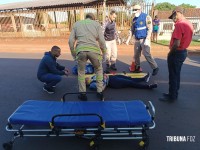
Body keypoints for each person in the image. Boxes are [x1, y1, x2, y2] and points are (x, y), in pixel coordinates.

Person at [68, 13, 107, 101]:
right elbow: (101, 41)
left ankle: (82, 94)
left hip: (80, 50)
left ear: (85, 18)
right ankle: (99, 92)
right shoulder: (96, 25)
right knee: (98, 70)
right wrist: (104, 53)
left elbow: (70, 41)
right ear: (93, 19)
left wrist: (74, 54)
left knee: (81, 72)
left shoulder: (76, 24)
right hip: (94, 51)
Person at [159, 7, 193, 102]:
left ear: (178, 13)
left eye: (174, 16)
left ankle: (172, 96)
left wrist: (170, 53)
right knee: (176, 74)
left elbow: (176, 43)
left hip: (176, 52)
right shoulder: (188, 23)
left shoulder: (179, 25)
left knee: (173, 75)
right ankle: (174, 93)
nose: (173, 19)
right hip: (183, 52)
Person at [131, 4, 159, 76]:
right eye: (133, 11)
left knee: (146, 53)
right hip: (137, 39)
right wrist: (131, 37)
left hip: (144, 39)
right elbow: (133, 29)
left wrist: (147, 38)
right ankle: (137, 67)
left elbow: (150, 28)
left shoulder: (146, 17)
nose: (134, 12)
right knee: (136, 54)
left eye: (135, 10)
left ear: (140, 10)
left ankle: (155, 67)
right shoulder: (134, 19)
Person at [86, 73, 157, 90]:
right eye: (85, 80)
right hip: (112, 83)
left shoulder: (92, 77)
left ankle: (143, 79)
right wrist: (105, 79)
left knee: (129, 78)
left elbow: (101, 74)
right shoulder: (92, 84)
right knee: (130, 83)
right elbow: (102, 88)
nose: (86, 78)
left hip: (112, 77)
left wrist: (104, 75)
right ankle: (148, 87)